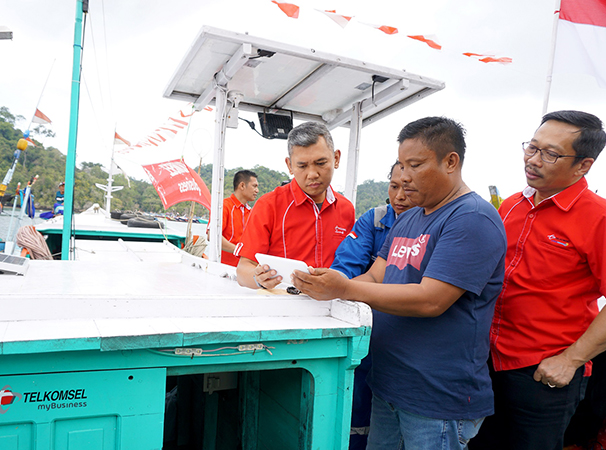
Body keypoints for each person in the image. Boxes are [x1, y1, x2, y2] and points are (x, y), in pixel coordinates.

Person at [292, 116, 507, 450]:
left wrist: (345, 289)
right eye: (402, 165)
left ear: (451, 162)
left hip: (436, 396)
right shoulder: (408, 217)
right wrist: (322, 287)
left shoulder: (471, 218)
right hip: (390, 383)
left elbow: (430, 300)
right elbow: (378, 274)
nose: (404, 177)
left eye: (415, 165)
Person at [470, 110, 606, 450]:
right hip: (486, 362)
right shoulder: (512, 206)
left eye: (550, 154)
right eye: (531, 148)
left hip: (543, 373)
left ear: (584, 165)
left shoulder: (597, 217)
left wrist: (571, 359)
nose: (533, 160)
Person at [330, 161, 414, 450]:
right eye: (394, 187)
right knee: (361, 411)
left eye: (408, 188)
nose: (400, 196)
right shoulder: (376, 219)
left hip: (409, 345)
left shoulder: (435, 226)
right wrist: (336, 284)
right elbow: (349, 264)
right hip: (371, 332)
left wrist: (344, 286)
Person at [235, 121, 355, 289]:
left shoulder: (346, 209)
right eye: (302, 166)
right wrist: (258, 279)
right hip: (284, 305)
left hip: (332, 307)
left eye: (321, 163)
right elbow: (243, 269)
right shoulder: (269, 205)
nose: (312, 174)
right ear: (289, 165)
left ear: (336, 159)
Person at [221, 170, 258, 267]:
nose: (257, 191)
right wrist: (239, 251)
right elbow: (212, 236)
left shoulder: (251, 212)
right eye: (254, 186)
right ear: (242, 186)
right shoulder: (224, 206)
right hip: (224, 268)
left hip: (245, 270)